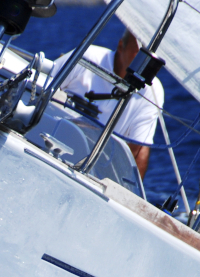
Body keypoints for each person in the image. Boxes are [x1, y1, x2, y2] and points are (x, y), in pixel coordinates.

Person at [52, 31, 164, 178]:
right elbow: (43, 87)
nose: (143, 61)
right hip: (52, 147)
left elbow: (139, 147)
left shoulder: (152, 91)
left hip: (93, 171)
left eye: (149, 57)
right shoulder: (87, 57)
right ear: (120, 46)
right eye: (139, 52)